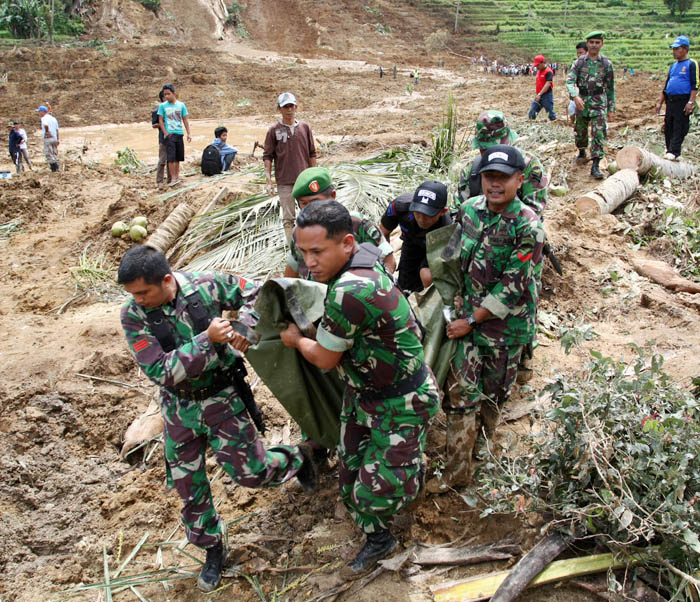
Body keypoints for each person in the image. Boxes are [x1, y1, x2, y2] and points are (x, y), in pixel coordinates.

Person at [118, 245, 316, 592]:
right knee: (188, 487)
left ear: (166, 280)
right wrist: (208, 341)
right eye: (133, 294)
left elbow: (257, 291)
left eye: (143, 292)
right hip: (178, 410)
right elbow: (161, 371)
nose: (138, 300)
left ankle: (298, 458)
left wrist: (246, 327)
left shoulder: (206, 285)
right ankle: (213, 547)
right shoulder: (134, 315)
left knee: (252, 474)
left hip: (222, 400)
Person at [280, 201, 439, 574]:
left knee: (370, 495)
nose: (309, 262)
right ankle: (393, 491)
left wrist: (295, 340)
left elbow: (323, 358)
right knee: (348, 476)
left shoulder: (350, 290)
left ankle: (387, 528)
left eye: (317, 252)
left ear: (347, 243)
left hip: (402, 402)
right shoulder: (362, 259)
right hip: (366, 395)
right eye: (303, 253)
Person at [430, 146, 545, 492]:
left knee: (494, 396)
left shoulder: (529, 226)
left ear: (519, 180)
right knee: (461, 397)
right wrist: (446, 301)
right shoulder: (468, 210)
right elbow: (450, 259)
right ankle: (456, 470)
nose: (495, 185)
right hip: (466, 324)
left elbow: (513, 286)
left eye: (503, 178)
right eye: (488, 177)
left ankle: (483, 446)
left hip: (505, 329)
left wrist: (472, 320)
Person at [284, 166, 395, 279]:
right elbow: (292, 271)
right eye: (304, 203)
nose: (311, 208)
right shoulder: (300, 233)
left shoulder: (357, 223)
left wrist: (378, 287)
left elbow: (389, 261)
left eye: (315, 202)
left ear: (332, 196)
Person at [458, 111, 547, 217]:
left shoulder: (529, 165)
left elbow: (534, 212)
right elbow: (458, 212)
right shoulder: (471, 169)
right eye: (485, 150)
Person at [379, 181, 453, 294]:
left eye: (428, 215)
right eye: (418, 213)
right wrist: (387, 257)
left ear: (443, 212)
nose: (422, 219)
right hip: (411, 242)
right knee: (405, 286)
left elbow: (432, 268)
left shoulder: (446, 228)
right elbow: (382, 233)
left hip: (433, 248)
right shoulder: (399, 206)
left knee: (426, 277)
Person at [263, 92, 317, 242]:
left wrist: (314, 176)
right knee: (288, 218)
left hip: (304, 180)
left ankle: (309, 243)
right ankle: (292, 248)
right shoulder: (274, 130)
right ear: (279, 109)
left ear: (296, 107)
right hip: (284, 181)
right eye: (285, 107)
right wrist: (269, 180)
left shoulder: (304, 127)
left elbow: (312, 153)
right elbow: (268, 156)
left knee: (310, 213)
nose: (288, 110)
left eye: (291, 106)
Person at [566, 31, 615, 179]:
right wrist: (575, 96)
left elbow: (610, 87)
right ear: (587, 44)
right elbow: (569, 82)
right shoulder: (579, 62)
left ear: (601, 44)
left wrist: (611, 108)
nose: (594, 45)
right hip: (582, 101)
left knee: (598, 133)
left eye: (597, 42)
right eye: (591, 42)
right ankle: (581, 150)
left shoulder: (606, 64)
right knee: (580, 131)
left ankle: (595, 165)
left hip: (599, 101)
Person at [656, 35, 697, 161]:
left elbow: (695, 84)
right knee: (669, 125)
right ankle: (671, 151)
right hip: (671, 100)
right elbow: (666, 85)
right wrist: (660, 102)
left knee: (680, 126)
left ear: (685, 49)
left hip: (683, 100)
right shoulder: (673, 66)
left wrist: (690, 102)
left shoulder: (691, 64)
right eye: (673, 49)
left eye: (677, 49)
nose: (674, 51)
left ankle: (674, 151)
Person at [157, 83, 192, 188]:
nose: (166, 96)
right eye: (165, 94)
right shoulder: (163, 106)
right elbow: (160, 121)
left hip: (179, 133)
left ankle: (177, 177)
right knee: (171, 158)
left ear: (174, 94)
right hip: (170, 134)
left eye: (168, 94)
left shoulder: (181, 105)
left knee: (178, 157)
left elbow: (185, 119)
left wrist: (188, 133)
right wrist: (166, 133)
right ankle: (172, 178)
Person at [151, 89, 170, 189]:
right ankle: (159, 181)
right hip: (163, 138)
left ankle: (171, 179)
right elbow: (154, 125)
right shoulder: (157, 110)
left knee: (172, 159)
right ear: (162, 98)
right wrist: (164, 123)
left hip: (173, 137)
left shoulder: (172, 108)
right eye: (166, 95)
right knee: (162, 160)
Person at [528, 55, 556, 121]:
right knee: (532, 113)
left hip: (546, 95)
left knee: (550, 114)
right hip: (539, 95)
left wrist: (540, 94)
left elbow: (548, 84)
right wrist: (531, 68)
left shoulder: (548, 72)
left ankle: (554, 125)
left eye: (538, 65)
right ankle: (531, 125)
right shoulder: (539, 71)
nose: (537, 67)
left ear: (542, 63)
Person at [568, 42, 588, 125]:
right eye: (578, 53)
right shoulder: (576, 64)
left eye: (581, 53)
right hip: (578, 93)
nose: (579, 55)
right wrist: (572, 93)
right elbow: (571, 81)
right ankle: (573, 124)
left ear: (587, 52)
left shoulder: (595, 63)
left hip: (593, 96)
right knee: (571, 109)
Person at [36, 105, 59, 172]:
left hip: (48, 138)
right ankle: (57, 167)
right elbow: (57, 129)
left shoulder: (44, 118)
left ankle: (54, 168)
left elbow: (46, 125)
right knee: (54, 153)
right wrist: (58, 139)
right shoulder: (53, 118)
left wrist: (47, 132)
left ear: (43, 111)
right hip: (54, 137)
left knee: (48, 153)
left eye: (39, 112)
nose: (39, 113)